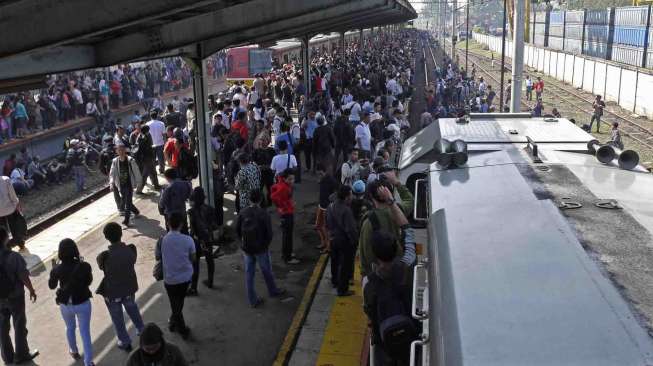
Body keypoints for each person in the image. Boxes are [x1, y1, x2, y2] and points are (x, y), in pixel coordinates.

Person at [363, 230, 418, 365]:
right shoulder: (408, 267)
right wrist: (393, 207)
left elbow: (368, 310)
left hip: (384, 342)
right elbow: (410, 239)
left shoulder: (368, 282)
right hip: (410, 333)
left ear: (375, 255)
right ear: (395, 250)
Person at [96, 222, 145, 352]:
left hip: (112, 294)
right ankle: (142, 330)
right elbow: (132, 260)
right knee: (132, 308)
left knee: (117, 318)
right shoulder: (131, 249)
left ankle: (125, 341)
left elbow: (101, 267)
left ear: (106, 237)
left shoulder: (103, 256)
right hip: (129, 288)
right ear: (121, 234)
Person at [235, 189, 286, 307]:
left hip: (247, 248)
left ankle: (252, 300)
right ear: (261, 199)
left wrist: (242, 244)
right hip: (261, 248)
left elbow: (237, 230)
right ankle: (273, 291)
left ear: (249, 199)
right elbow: (269, 234)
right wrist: (265, 245)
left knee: (249, 274)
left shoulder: (243, 212)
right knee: (266, 270)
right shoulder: (264, 214)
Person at [48, 239, 94, 366]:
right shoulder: (84, 266)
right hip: (83, 302)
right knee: (85, 332)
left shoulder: (57, 269)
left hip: (65, 304)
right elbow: (89, 281)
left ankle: (73, 351)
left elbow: (52, 286)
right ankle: (88, 362)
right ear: (75, 250)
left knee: (70, 327)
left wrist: (53, 271)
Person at [0, 227, 39, 365]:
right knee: (19, 324)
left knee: (2, 327)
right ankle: (21, 355)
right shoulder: (13, 256)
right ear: (5, 239)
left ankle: (7, 357)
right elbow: (23, 276)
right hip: (15, 296)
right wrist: (31, 290)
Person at [156, 213, 195, 339]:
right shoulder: (188, 240)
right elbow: (193, 258)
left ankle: (175, 323)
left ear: (167, 223)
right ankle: (181, 328)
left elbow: (158, 257)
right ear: (182, 225)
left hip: (170, 279)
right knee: (179, 301)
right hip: (185, 278)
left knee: (175, 303)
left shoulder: (162, 240)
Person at [326, 185, 358, 296]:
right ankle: (342, 289)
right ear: (346, 197)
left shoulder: (331, 206)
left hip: (333, 239)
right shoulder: (346, 210)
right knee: (344, 265)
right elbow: (351, 229)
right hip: (344, 241)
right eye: (351, 194)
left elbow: (328, 223)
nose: (352, 196)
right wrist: (355, 241)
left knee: (334, 261)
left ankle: (334, 281)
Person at [187, 187, 218, 291]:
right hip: (208, 239)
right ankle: (210, 282)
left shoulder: (191, 212)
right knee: (210, 260)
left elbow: (193, 229)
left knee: (195, 264)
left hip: (196, 241)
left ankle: (194, 287)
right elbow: (214, 226)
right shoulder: (210, 209)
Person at [271, 169, 300, 264]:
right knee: (287, 236)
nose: (292, 181)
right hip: (287, 213)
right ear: (284, 178)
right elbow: (274, 197)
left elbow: (274, 192)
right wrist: (284, 206)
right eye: (290, 179)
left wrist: (286, 204)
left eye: (293, 179)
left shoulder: (282, 184)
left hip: (286, 212)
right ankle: (287, 258)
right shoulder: (284, 187)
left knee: (287, 235)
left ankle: (288, 253)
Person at [109, 144, 142, 227]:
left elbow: (137, 172)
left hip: (129, 184)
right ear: (117, 151)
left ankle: (126, 221)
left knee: (127, 203)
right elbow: (112, 173)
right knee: (127, 201)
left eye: (122, 150)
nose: (121, 152)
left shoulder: (131, 160)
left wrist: (139, 183)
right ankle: (136, 212)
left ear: (125, 150)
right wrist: (111, 183)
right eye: (119, 150)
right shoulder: (115, 161)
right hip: (121, 185)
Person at [159, 168, 191, 233]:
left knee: (172, 232)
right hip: (182, 212)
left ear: (167, 177)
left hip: (171, 215)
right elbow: (190, 196)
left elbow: (162, 203)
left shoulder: (167, 189)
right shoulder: (186, 184)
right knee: (184, 230)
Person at [316, 163, 338, 253]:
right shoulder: (322, 179)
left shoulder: (331, 180)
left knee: (326, 228)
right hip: (321, 206)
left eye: (320, 173)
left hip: (327, 208)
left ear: (323, 172)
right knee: (318, 226)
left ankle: (328, 246)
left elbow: (336, 192)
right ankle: (323, 242)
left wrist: (331, 204)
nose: (319, 175)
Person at [135, 124, 161, 193]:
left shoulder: (145, 135)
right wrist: (151, 147)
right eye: (148, 130)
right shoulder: (141, 138)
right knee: (145, 175)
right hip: (146, 158)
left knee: (153, 172)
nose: (149, 132)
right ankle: (139, 190)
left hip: (149, 157)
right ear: (145, 131)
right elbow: (142, 149)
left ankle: (156, 185)